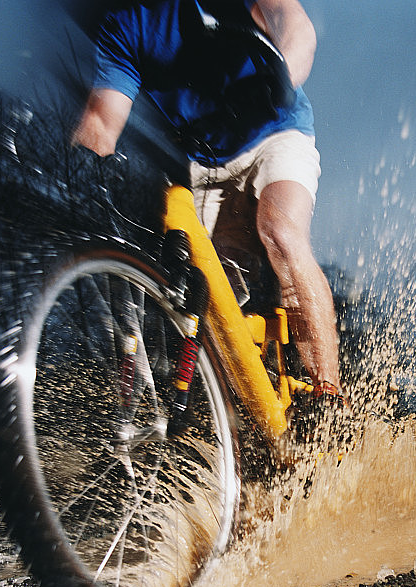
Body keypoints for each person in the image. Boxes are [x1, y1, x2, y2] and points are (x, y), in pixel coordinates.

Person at [72, 0, 344, 411]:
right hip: (202, 166)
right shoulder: (124, 24)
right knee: (212, 304)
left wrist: (282, 74)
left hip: (274, 132)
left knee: (281, 233)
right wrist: (77, 176)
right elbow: (101, 120)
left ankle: (329, 395)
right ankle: (242, 417)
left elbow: (295, 24)